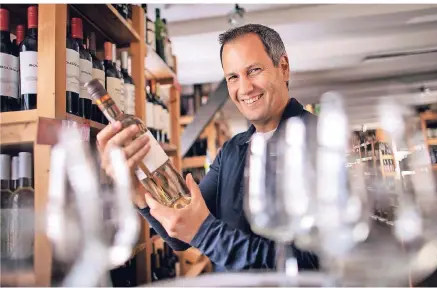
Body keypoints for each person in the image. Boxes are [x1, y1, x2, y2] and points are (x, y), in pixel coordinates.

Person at [96, 24, 318, 272]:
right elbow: (181, 234)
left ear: (283, 67)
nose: (244, 88)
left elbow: (310, 264)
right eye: (233, 77)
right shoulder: (233, 149)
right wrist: (136, 188)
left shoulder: (319, 142)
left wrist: (206, 233)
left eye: (254, 70)